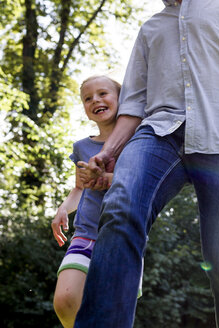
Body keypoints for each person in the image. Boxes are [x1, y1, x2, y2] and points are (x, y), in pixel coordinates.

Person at [74, 0, 219, 327]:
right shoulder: (150, 29)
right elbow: (133, 106)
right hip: (159, 132)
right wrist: (110, 151)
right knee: (121, 208)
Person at [51, 75, 137, 327]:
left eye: (103, 93)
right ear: (86, 111)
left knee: (111, 312)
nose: (95, 100)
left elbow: (138, 184)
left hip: (122, 236)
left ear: (122, 100)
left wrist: (109, 178)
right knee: (65, 301)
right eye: (88, 98)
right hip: (85, 234)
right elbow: (79, 188)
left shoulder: (138, 143)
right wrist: (64, 209)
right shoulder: (81, 147)